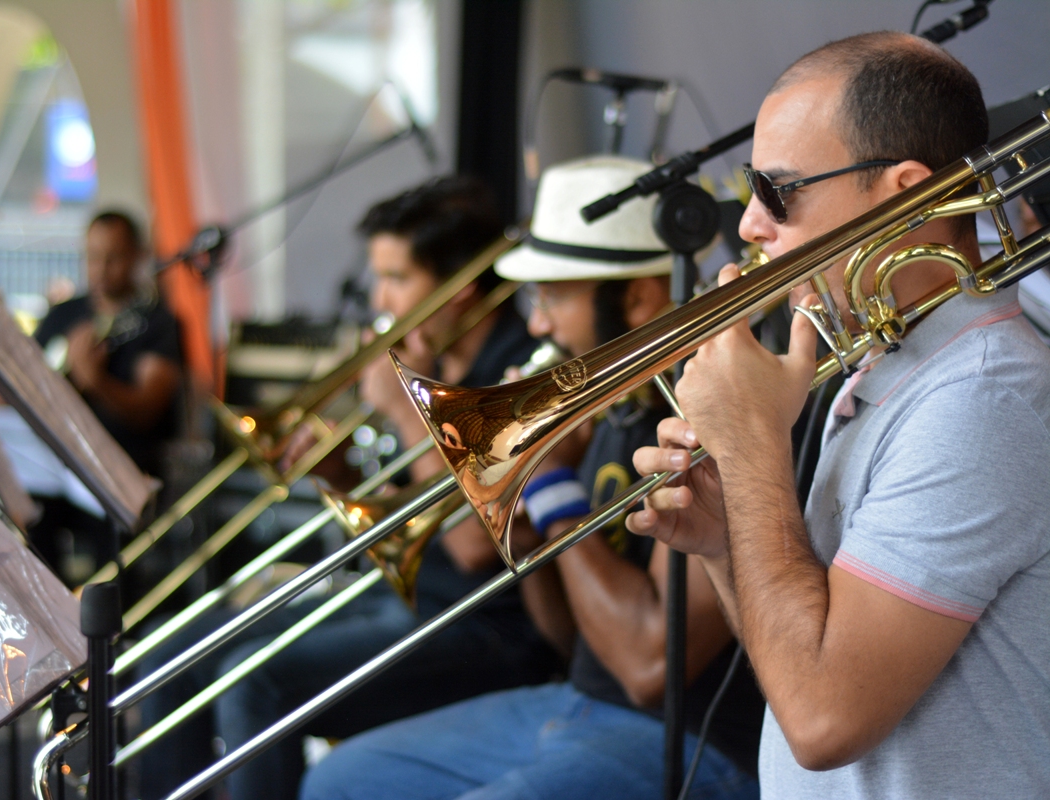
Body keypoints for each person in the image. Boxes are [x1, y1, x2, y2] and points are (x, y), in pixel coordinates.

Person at [626, 32, 1050, 797]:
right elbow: (806, 639)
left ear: (905, 192)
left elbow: (823, 720)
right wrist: (728, 541)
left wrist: (754, 449)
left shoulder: (982, 397)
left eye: (777, 191)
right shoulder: (890, 365)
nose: (750, 224)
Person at [301, 156, 763, 800]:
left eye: (553, 297)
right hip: (574, 699)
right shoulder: (606, 406)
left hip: (687, 740)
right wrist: (528, 529)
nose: (538, 325)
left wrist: (551, 493)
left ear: (638, 296)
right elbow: (567, 637)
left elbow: (649, 667)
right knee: (338, 781)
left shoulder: (700, 414)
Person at [138, 177, 557, 800]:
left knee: (254, 684)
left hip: (487, 626)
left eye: (397, 278)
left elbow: (473, 545)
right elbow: (414, 513)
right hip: (412, 598)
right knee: (168, 660)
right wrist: (342, 476)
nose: (382, 300)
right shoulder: (438, 362)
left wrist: (405, 414)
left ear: (461, 288)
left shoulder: (520, 371)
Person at [35, 210, 183, 479]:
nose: (101, 269)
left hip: (126, 474)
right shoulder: (62, 315)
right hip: (54, 471)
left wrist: (95, 380)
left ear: (137, 255)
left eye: (114, 258)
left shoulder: (157, 322)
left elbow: (149, 410)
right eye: (93, 257)